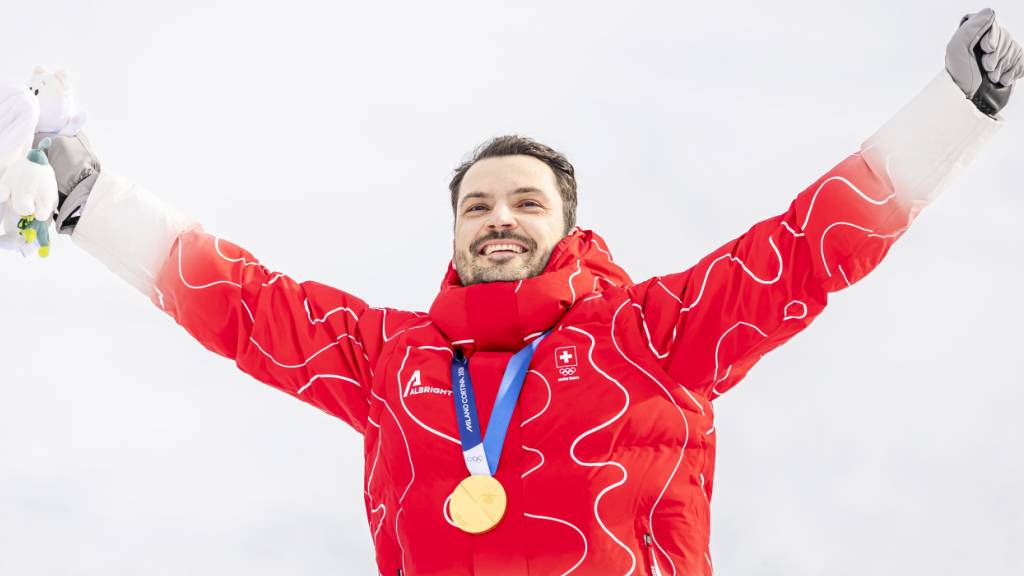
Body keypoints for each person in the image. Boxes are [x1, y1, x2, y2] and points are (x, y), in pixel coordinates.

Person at [4, 8, 1022, 576]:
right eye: (478, 206)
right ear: (452, 234)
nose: (498, 218)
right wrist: (89, 199)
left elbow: (806, 252)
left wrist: (954, 114)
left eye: (524, 203)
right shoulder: (393, 361)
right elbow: (242, 302)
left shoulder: (654, 336)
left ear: (567, 228)